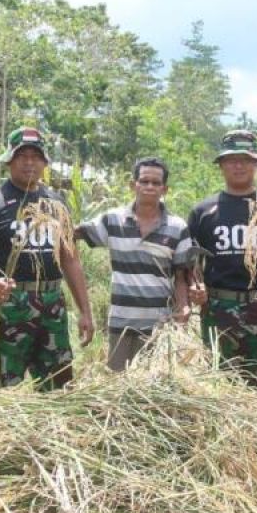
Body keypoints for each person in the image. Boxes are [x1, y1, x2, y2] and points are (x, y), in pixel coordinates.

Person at [0, 127, 94, 389]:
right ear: (8, 160)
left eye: (35, 156)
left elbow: (70, 259)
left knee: (59, 388)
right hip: (8, 306)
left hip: (52, 306)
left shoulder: (56, 203)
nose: (29, 162)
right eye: (21, 156)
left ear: (44, 162)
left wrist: (85, 311)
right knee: (0, 388)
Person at [187, 130, 257, 385]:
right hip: (218, 309)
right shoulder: (203, 211)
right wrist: (195, 286)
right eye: (231, 159)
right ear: (221, 165)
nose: (238, 165)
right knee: (218, 384)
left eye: (245, 159)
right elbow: (192, 262)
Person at [78, 157, 194, 371]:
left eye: (156, 183)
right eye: (144, 181)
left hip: (159, 326)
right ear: (133, 185)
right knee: (118, 385)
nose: (149, 187)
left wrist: (183, 308)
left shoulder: (178, 227)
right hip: (120, 324)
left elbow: (181, 277)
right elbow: (75, 233)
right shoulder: (111, 221)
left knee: (153, 389)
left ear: (164, 189)